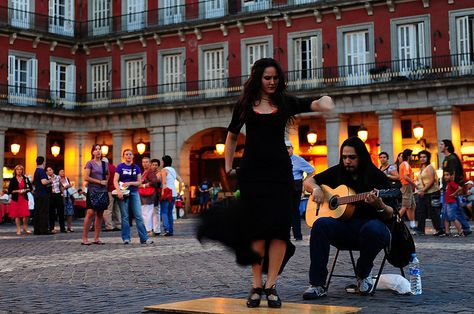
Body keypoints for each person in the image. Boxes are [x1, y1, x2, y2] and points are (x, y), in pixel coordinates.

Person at [197, 58, 334, 308]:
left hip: (280, 175)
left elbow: (310, 103)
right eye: (267, 78)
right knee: (257, 231)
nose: (272, 82)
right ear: (258, 78)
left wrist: (324, 101)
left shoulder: (284, 102)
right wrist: (228, 167)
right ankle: (256, 284)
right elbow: (232, 136)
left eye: (275, 78)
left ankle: (271, 286)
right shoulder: (245, 105)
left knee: (279, 231)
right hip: (252, 174)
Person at [301, 137, 395, 299]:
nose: (347, 161)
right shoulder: (338, 171)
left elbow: (391, 214)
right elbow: (309, 181)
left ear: (362, 157)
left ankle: (363, 273)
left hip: (372, 232)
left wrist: (379, 205)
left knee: (373, 229)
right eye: (344, 157)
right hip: (344, 231)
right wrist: (316, 188)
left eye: (352, 157)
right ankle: (317, 284)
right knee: (320, 224)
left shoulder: (377, 177)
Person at [114, 149, 153, 245]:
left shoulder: (136, 167)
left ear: (132, 156)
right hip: (123, 193)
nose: (128, 156)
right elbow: (115, 180)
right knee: (125, 216)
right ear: (124, 156)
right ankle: (126, 238)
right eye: (126, 154)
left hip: (134, 192)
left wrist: (130, 183)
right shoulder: (120, 167)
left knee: (139, 216)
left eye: (130, 154)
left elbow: (139, 182)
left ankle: (144, 238)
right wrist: (118, 190)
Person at [440, 139, 472, 235]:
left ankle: (464, 228)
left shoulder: (452, 158)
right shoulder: (446, 158)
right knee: (449, 210)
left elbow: (453, 174)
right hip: (447, 188)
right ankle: (447, 230)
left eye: (442, 144)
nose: (440, 146)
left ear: (447, 147)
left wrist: (450, 187)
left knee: (454, 210)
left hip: (451, 189)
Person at [286, 140, 314, 241]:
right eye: (285, 148)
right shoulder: (279, 159)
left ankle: (298, 235)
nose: (287, 150)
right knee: (285, 211)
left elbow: (311, 170)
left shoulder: (298, 160)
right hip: (284, 186)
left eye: (288, 148)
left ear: (292, 149)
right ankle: (285, 236)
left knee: (295, 211)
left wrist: (305, 182)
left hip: (295, 186)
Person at [82, 144, 109, 245]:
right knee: (90, 213)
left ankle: (96, 238)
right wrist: (99, 182)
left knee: (100, 214)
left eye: (99, 149)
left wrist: (105, 182)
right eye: (96, 149)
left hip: (103, 191)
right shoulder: (90, 163)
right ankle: (84, 238)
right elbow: (86, 177)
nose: (98, 151)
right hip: (92, 190)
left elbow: (107, 175)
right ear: (92, 152)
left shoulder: (104, 164)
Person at [415, 150, 442, 235]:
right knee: (421, 211)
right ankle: (420, 229)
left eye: (424, 157)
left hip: (432, 192)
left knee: (433, 212)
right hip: (424, 193)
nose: (422, 159)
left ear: (428, 158)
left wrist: (423, 190)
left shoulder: (430, 167)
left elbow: (431, 180)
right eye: (421, 157)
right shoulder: (422, 168)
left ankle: (439, 229)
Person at [160, 155, 184, 236]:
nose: (161, 163)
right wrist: (179, 192)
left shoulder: (164, 170)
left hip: (166, 193)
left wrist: (163, 192)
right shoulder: (173, 170)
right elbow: (181, 181)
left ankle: (166, 229)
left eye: (162, 161)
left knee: (164, 212)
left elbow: (164, 182)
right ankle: (171, 231)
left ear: (164, 162)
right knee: (170, 213)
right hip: (173, 193)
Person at [7, 165, 33, 235]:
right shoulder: (13, 179)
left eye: (20, 169)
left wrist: (25, 190)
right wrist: (17, 191)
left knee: (26, 214)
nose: (19, 171)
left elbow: (30, 188)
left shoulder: (26, 179)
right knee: (17, 215)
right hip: (16, 199)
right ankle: (18, 229)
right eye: (17, 169)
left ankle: (25, 227)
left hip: (24, 198)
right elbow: (9, 191)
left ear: (22, 171)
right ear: (15, 171)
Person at [398, 149, 417, 232]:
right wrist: (414, 184)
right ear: (409, 156)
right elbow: (406, 176)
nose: (412, 157)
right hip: (406, 186)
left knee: (412, 206)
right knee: (405, 206)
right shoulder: (405, 164)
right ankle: (395, 220)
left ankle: (412, 224)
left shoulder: (403, 164)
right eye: (411, 155)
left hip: (406, 186)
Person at [33, 156, 52, 235]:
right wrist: (51, 180)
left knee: (37, 212)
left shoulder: (36, 171)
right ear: (43, 162)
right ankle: (44, 230)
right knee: (44, 212)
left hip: (37, 194)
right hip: (43, 194)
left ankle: (37, 230)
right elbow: (44, 182)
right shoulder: (41, 171)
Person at [441, 170, 463, 237]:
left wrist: (454, 194)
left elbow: (459, 188)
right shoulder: (448, 184)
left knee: (452, 217)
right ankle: (447, 232)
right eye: (444, 175)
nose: (445, 177)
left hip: (451, 203)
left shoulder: (451, 183)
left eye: (447, 175)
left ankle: (460, 232)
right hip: (447, 203)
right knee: (446, 218)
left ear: (451, 176)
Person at [140, 157, 158, 237]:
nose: (145, 164)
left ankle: (149, 231)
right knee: (146, 213)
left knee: (147, 213)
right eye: (143, 162)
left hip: (149, 195)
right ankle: (148, 230)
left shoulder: (150, 172)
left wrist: (144, 185)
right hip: (145, 195)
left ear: (150, 163)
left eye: (147, 162)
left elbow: (154, 181)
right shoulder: (145, 172)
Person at [102, 157, 121, 232]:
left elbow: (105, 179)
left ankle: (109, 226)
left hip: (109, 190)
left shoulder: (105, 168)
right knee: (116, 209)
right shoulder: (114, 167)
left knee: (108, 209)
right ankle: (118, 225)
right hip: (116, 189)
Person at [47, 167, 66, 233]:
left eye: (50, 170)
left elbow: (61, 186)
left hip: (58, 195)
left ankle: (62, 228)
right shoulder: (46, 178)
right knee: (51, 212)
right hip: (51, 195)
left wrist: (63, 193)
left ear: (53, 170)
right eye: (47, 171)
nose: (49, 171)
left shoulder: (58, 177)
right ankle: (51, 228)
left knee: (61, 212)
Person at [150, 158, 162, 235]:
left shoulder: (159, 173)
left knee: (156, 211)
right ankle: (150, 228)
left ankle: (157, 229)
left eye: (156, 165)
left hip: (156, 194)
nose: (154, 166)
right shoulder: (148, 172)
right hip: (147, 194)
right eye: (153, 165)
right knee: (148, 212)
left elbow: (157, 181)